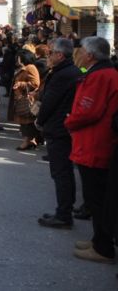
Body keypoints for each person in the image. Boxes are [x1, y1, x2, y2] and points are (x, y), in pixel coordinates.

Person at [65, 37, 118, 264]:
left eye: (83, 51)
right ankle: (98, 239)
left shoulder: (99, 76)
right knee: (97, 197)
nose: (79, 54)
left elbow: (88, 110)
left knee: (96, 198)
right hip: (99, 141)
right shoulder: (105, 72)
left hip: (94, 143)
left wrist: (69, 121)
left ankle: (103, 246)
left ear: (91, 55)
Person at [35, 38, 82, 229]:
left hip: (59, 128)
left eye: (51, 53)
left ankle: (64, 214)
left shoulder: (63, 74)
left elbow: (50, 102)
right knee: (64, 172)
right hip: (63, 127)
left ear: (60, 55)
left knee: (61, 172)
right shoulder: (70, 71)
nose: (49, 56)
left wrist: (40, 120)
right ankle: (65, 210)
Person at [12, 49, 41, 150]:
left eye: (19, 57)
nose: (17, 59)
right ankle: (30, 141)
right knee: (24, 121)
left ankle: (28, 141)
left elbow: (35, 83)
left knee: (27, 121)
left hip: (27, 98)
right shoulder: (23, 67)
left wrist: (21, 84)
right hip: (20, 98)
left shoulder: (30, 68)